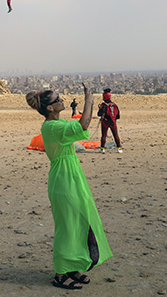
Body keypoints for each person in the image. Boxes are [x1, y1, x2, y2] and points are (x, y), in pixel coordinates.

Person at [26, 83, 112, 289]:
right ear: (49, 108)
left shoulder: (58, 123)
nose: (62, 101)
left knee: (80, 222)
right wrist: (89, 101)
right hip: (64, 180)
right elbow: (83, 126)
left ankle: (72, 266)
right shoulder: (52, 127)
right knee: (67, 226)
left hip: (72, 175)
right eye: (57, 100)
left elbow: (77, 129)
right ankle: (60, 273)